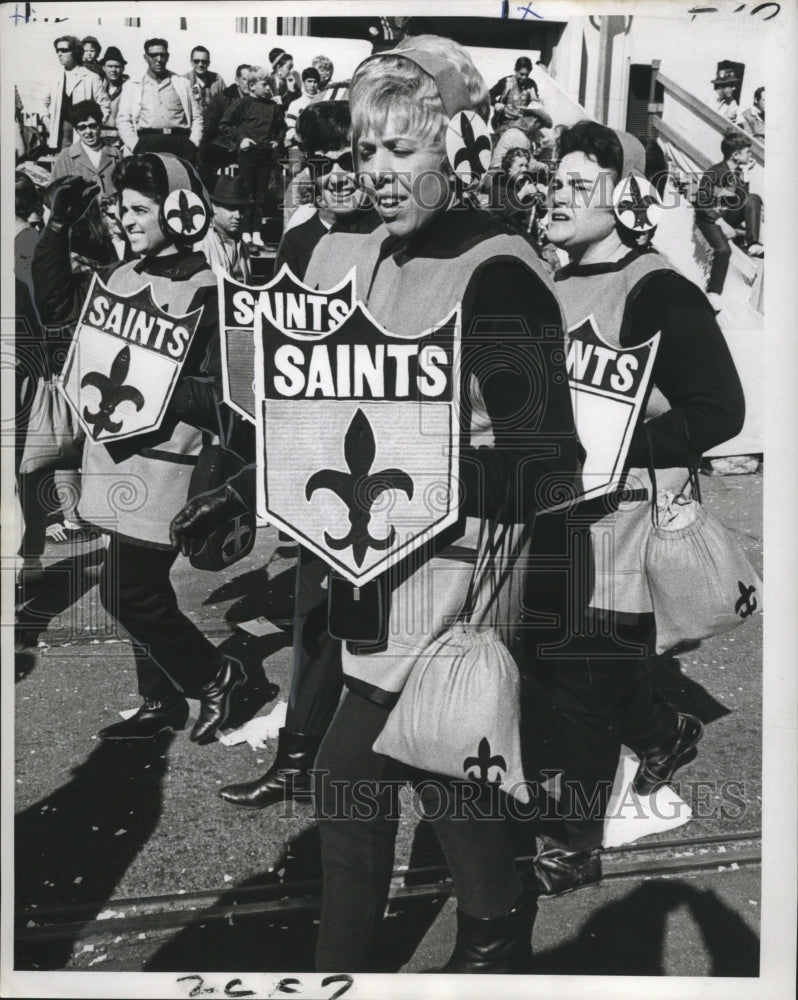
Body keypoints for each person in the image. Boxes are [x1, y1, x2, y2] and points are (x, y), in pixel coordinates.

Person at [294, 35, 577, 972]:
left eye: (403, 150)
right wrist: (249, 482)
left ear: (447, 148)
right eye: (368, 151)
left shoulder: (495, 267)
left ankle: (348, 970)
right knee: (439, 759)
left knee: (346, 775)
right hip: (377, 564)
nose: (381, 173)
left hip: (460, 570)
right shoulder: (368, 256)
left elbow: (549, 461)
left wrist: (429, 460)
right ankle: (500, 926)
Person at [525, 120, 745, 889]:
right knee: (558, 666)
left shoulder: (658, 288)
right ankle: (663, 733)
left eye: (578, 184)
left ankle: (576, 844)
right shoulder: (551, 282)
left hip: (621, 531)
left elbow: (720, 410)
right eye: (553, 181)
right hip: (551, 522)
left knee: (584, 686)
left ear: (622, 197)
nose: (556, 194)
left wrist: (619, 449)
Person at [31, 158, 244, 744]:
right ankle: (160, 700)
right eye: (121, 208)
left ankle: (219, 677)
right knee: (143, 593)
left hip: (168, 471)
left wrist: (160, 380)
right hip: (115, 465)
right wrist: (56, 229)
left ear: (180, 212)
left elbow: (228, 401)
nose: (125, 221)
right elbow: (55, 307)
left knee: (126, 591)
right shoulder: (123, 274)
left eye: (139, 210)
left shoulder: (212, 290)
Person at [695, 130, 764, 309]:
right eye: (747, 151)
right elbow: (701, 203)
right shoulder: (715, 172)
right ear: (735, 154)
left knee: (754, 198)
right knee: (724, 250)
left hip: (726, 215)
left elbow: (744, 200)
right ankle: (714, 292)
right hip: (709, 219)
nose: (750, 155)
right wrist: (721, 223)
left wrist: (746, 176)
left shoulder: (739, 173)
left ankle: (753, 243)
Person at [219, 66, 285, 252]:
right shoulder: (243, 104)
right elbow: (225, 124)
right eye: (264, 84)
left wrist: (275, 141)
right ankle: (245, 236)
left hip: (265, 155)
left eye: (269, 84)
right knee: (247, 194)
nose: (268, 88)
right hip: (248, 154)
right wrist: (241, 139)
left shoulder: (274, 106)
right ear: (252, 86)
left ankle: (257, 236)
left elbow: (280, 128)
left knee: (260, 196)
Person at [116, 38, 203, 163]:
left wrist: (193, 143)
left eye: (162, 55)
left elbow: (197, 117)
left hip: (179, 142)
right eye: (153, 55)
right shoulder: (133, 85)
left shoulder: (182, 83)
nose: (159, 59)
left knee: (179, 181)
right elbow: (123, 120)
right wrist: (135, 144)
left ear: (167, 57)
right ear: (146, 57)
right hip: (147, 142)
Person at [45, 35, 111, 152]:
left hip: (84, 137)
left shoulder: (92, 78)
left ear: (75, 52)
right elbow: (43, 102)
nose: (59, 54)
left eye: (64, 50)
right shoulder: (54, 77)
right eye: (58, 50)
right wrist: (47, 121)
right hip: (60, 136)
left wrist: (92, 129)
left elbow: (104, 107)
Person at [51, 100, 122, 199]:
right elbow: (55, 195)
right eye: (82, 127)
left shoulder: (115, 154)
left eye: (92, 126)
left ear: (100, 125)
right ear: (76, 130)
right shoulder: (66, 157)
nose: (88, 132)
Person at [198, 63, 252, 188]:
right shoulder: (223, 98)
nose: (248, 84)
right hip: (224, 144)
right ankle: (209, 189)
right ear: (237, 80)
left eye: (251, 80)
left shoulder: (257, 99)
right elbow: (210, 125)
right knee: (204, 150)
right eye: (244, 79)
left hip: (247, 145)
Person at [199, 175, 252, 282]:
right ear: (214, 208)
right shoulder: (202, 244)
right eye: (231, 208)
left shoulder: (242, 246)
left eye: (241, 210)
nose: (237, 215)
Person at [489, 101, 552, 172]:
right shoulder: (519, 136)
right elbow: (529, 164)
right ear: (535, 122)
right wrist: (545, 167)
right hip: (500, 174)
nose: (536, 131)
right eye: (538, 127)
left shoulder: (514, 132)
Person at [489, 56, 540, 130]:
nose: (524, 78)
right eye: (521, 74)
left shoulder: (531, 84)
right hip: (505, 122)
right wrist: (495, 103)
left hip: (523, 123)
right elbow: (489, 94)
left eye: (527, 75)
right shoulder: (506, 82)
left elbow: (536, 103)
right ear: (515, 70)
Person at [99, 46, 129, 148]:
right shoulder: (97, 88)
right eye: (110, 66)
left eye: (117, 66)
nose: (113, 70)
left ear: (123, 68)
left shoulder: (129, 88)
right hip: (100, 139)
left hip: (122, 139)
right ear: (103, 68)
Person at [183, 45, 226, 113]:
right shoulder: (184, 80)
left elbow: (226, 104)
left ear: (208, 63)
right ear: (191, 62)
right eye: (196, 61)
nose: (200, 64)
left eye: (204, 62)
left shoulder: (217, 80)